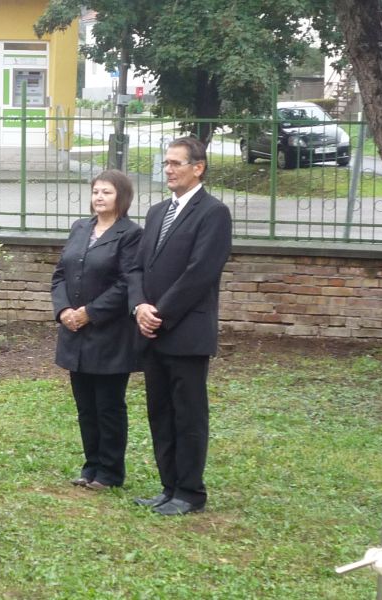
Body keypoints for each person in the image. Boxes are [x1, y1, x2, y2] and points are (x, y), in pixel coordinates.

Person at [127, 137, 232, 516]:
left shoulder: (213, 213)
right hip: (150, 332)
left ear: (198, 168)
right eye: (166, 163)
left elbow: (200, 273)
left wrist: (160, 314)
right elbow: (137, 267)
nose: (168, 169)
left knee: (188, 415)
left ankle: (189, 492)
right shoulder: (157, 212)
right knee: (160, 413)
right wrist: (139, 306)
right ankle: (168, 486)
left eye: (176, 163)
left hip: (185, 333)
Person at [51, 169, 142, 491]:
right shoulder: (80, 228)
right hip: (74, 332)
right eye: (96, 192)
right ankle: (91, 466)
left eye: (107, 192)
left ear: (122, 197)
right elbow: (60, 274)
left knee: (108, 405)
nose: (99, 197)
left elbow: (127, 283)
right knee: (86, 406)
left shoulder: (131, 234)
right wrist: (64, 310)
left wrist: (89, 313)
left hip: (109, 334)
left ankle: (110, 472)